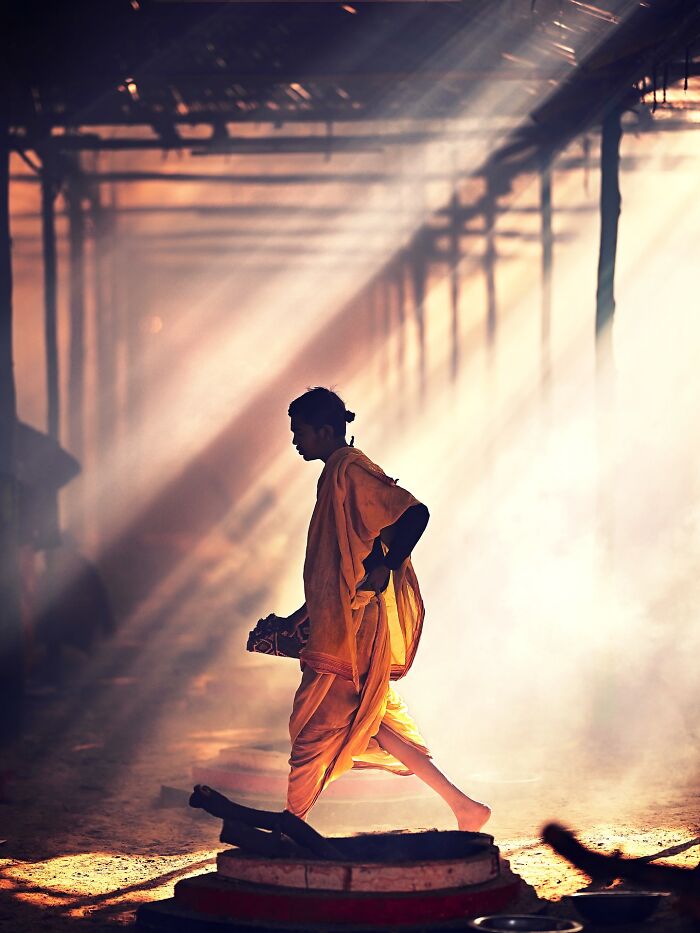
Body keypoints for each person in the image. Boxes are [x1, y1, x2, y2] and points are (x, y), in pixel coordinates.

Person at [267, 387, 490, 831]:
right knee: (371, 718)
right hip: (343, 621)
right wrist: (299, 619)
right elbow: (339, 566)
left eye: (300, 432)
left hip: (354, 628)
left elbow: (415, 514)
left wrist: (388, 566)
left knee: (314, 729)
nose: (294, 442)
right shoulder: (335, 473)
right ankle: (464, 807)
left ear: (324, 431)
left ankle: (292, 824)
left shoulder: (350, 469)